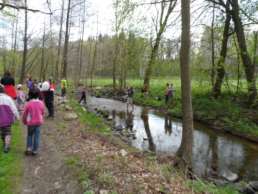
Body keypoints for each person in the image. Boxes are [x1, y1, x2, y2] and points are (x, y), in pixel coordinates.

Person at [22, 88, 45, 155]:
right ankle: (35, 150)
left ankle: (29, 149)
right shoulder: (41, 103)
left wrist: (24, 121)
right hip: (38, 122)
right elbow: (42, 112)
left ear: (30, 95)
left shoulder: (28, 104)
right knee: (37, 136)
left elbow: (25, 114)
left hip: (31, 123)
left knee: (29, 135)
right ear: (38, 94)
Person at [0, 84, 19, 153]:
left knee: (2, 132)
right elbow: (14, 109)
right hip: (8, 119)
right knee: (7, 132)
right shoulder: (8, 98)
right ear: (4, 91)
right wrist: (17, 116)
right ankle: (7, 146)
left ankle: (4, 143)